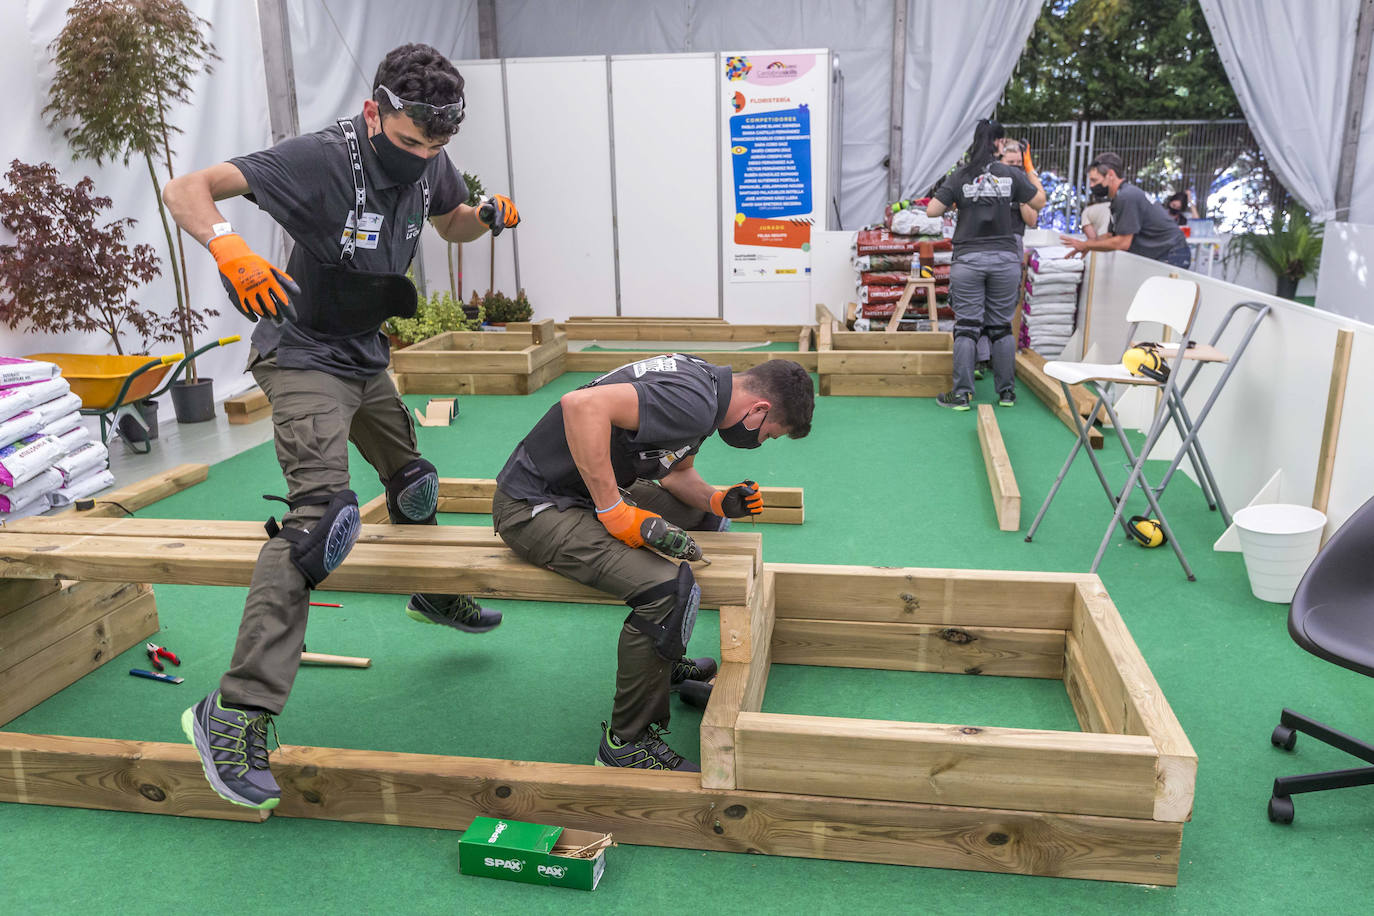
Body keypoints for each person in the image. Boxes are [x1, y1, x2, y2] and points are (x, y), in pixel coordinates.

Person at [161, 43, 522, 810]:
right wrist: (227, 246)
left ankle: (433, 594)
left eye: (437, 145)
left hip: (364, 350)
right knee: (321, 521)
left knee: (417, 489)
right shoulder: (318, 159)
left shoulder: (430, 162)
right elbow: (186, 186)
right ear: (374, 111)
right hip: (301, 352)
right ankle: (234, 711)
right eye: (410, 141)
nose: (422, 156)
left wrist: (483, 217)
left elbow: (449, 222)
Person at [491, 356, 815, 771]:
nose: (760, 441)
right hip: (534, 504)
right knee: (666, 591)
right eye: (768, 435)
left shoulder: (710, 392)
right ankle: (626, 743)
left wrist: (717, 500)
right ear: (759, 410)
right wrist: (614, 511)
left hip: (581, 490)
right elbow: (580, 406)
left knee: (707, 521)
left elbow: (677, 476)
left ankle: (660, 663)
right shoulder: (694, 400)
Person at [927, 119, 1045, 411]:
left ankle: (963, 395)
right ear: (1000, 144)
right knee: (1001, 327)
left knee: (967, 327)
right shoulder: (1011, 174)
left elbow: (932, 210)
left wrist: (956, 200)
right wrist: (1029, 170)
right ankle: (1006, 394)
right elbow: (1039, 202)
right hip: (1005, 259)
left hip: (968, 259)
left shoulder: (960, 175)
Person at [973, 137, 1041, 380]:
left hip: (1013, 244)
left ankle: (998, 359)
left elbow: (1032, 220)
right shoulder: (988, 181)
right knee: (979, 300)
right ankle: (980, 358)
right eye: (1009, 162)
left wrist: (1020, 192)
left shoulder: (1023, 185)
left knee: (1005, 304)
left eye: (1017, 164)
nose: (1013, 167)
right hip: (987, 242)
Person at [1059, 153, 1190, 269]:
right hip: (1162, 251)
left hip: (1172, 252)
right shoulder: (1118, 198)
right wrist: (1088, 244)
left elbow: (1122, 242)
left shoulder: (1127, 196)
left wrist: (1087, 245)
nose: (1092, 186)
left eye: (1094, 180)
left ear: (1110, 175)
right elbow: (1111, 236)